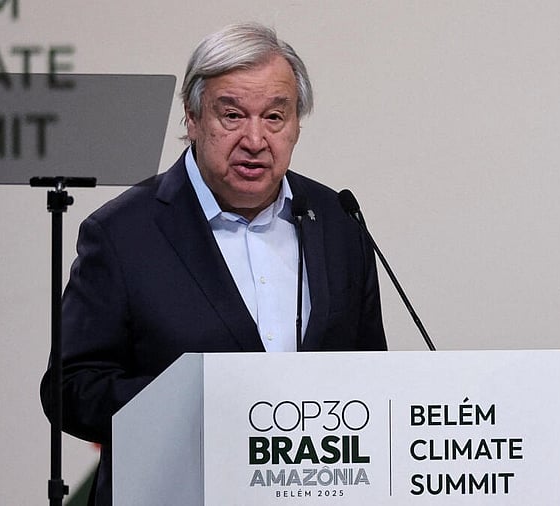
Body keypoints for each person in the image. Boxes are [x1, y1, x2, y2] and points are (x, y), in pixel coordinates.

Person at [40, 22, 387, 506]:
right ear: (193, 117)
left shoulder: (338, 220)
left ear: (296, 126)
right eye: (232, 115)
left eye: (274, 117)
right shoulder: (122, 233)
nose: (255, 139)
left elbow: (371, 374)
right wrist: (194, 405)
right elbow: (70, 389)